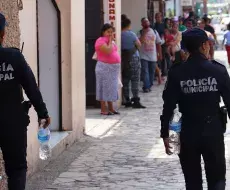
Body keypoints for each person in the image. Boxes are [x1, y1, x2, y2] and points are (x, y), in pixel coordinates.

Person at [161, 28, 229, 190]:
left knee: (192, 181)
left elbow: (168, 105)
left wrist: (166, 134)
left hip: (187, 133)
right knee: (217, 179)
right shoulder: (218, 70)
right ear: (205, 45)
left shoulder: (177, 72)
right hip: (213, 131)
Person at [0, 13, 50, 190]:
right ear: (3, 34)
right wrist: (42, 113)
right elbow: (31, 87)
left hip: (13, 121)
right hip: (13, 123)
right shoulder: (14, 58)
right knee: (17, 169)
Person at [95, 23, 121, 115]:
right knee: (103, 88)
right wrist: (110, 41)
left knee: (111, 88)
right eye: (108, 32)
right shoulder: (100, 41)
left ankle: (111, 108)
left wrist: (111, 40)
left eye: (111, 32)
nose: (110, 34)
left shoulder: (111, 41)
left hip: (113, 69)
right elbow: (108, 50)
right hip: (104, 67)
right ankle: (103, 109)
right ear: (103, 32)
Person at [121, 18, 146, 108]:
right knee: (135, 80)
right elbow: (139, 44)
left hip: (124, 60)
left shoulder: (119, 35)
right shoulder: (131, 34)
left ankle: (127, 99)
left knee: (126, 80)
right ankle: (135, 99)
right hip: (134, 59)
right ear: (128, 25)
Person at [138, 17, 162, 93]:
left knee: (152, 72)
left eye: (147, 21)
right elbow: (139, 43)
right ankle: (147, 87)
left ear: (149, 22)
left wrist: (159, 54)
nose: (146, 23)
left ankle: (149, 85)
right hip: (143, 56)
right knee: (145, 71)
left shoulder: (154, 32)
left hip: (153, 56)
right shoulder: (140, 32)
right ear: (142, 24)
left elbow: (158, 43)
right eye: (144, 22)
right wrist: (144, 33)